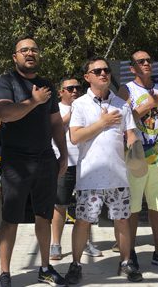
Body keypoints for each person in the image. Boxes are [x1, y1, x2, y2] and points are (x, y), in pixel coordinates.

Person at [0, 37, 68, 287]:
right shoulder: (6, 82)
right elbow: (5, 113)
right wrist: (34, 101)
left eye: (34, 49)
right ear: (15, 57)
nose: (30, 53)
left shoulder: (46, 85)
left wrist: (63, 154)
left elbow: (56, 122)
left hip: (45, 159)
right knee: (10, 217)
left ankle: (45, 268)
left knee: (43, 216)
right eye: (24, 50)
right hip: (16, 161)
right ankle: (5, 273)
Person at [65, 58, 142, 284]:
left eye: (106, 70)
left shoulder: (122, 104)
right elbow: (75, 136)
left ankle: (126, 262)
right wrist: (103, 122)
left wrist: (134, 144)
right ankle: (76, 264)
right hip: (90, 177)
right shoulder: (79, 104)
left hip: (118, 175)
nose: (103, 74)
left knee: (122, 221)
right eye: (96, 71)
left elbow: (130, 133)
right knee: (83, 222)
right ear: (87, 77)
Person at [119, 50, 158, 270]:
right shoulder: (126, 89)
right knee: (133, 206)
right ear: (132, 68)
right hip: (134, 155)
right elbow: (123, 120)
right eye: (140, 61)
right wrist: (148, 104)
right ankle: (130, 252)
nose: (146, 64)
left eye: (149, 61)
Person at [50, 78, 102, 260]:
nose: (74, 91)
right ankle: (55, 244)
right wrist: (71, 114)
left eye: (78, 88)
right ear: (60, 91)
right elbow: (51, 129)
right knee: (60, 204)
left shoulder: (87, 106)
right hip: (64, 163)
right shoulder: (54, 108)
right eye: (70, 88)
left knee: (87, 206)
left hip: (86, 163)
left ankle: (85, 242)